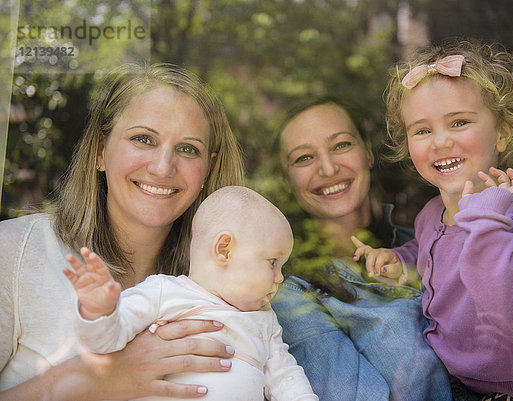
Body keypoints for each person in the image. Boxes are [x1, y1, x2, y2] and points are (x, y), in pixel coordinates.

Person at [352, 39, 513, 401]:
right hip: (461, 380)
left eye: (459, 122)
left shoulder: (511, 219)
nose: (440, 141)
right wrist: (402, 260)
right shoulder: (432, 213)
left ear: (504, 131)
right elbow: (433, 251)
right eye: (422, 130)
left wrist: (486, 219)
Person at [0, 63, 245, 400]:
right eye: (143, 139)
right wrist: (95, 378)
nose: (162, 167)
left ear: (209, 168)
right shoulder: (14, 252)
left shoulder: (226, 285)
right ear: (101, 151)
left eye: (188, 148)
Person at [270, 96, 453, 401]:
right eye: (303, 158)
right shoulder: (294, 296)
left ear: (367, 151)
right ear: (286, 181)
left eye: (341, 145)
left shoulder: (429, 240)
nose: (328, 169)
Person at [63, 186, 317, 401]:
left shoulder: (264, 321)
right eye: (273, 262)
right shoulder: (165, 293)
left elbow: (286, 379)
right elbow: (105, 343)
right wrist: (100, 312)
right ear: (225, 250)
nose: (281, 277)